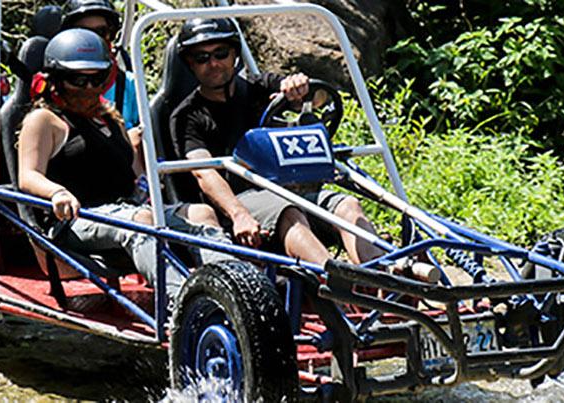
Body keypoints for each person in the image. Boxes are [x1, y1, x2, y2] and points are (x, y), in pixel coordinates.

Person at [169, 18, 400, 273]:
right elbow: (204, 172)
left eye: (220, 53)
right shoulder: (187, 116)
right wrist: (238, 214)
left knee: (347, 205)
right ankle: (335, 282)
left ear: (234, 54)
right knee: (290, 214)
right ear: (190, 64)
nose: (213, 63)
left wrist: (302, 89)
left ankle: (384, 279)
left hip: (291, 191)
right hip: (242, 203)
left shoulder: (260, 86)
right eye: (202, 58)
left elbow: (321, 97)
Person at [17, 29, 231, 296]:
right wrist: (57, 192)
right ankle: (183, 302)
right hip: (75, 218)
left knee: (202, 213)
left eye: (97, 80)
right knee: (140, 221)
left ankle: (235, 291)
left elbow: (134, 174)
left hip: (125, 208)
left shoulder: (109, 117)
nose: (89, 89)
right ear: (55, 81)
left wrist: (150, 188)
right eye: (78, 80)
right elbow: (27, 176)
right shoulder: (44, 120)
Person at [58, 0, 141, 130]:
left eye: (101, 32)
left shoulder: (129, 84)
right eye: (84, 33)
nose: (94, 40)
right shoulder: (53, 85)